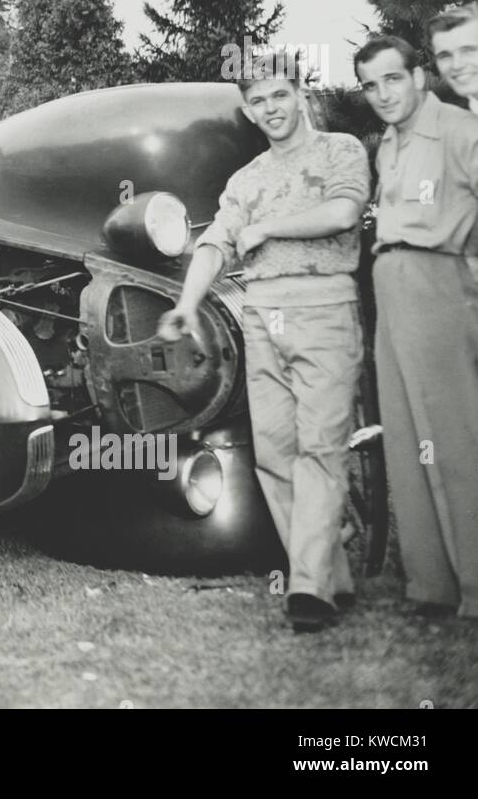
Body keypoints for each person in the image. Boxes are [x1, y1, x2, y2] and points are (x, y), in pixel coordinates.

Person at [157, 52, 370, 632]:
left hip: (324, 305)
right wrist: (184, 305)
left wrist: (269, 227)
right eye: (258, 102)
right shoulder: (245, 180)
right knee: (276, 454)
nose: (271, 109)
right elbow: (214, 245)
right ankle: (332, 576)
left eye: (279, 95)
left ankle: (308, 588)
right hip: (264, 316)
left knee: (320, 448)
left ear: (299, 93)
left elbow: (345, 211)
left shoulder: (340, 150)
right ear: (248, 113)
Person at [354, 34, 478, 619]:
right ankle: (431, 584)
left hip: (438, 284)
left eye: (392, 78)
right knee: (406, 438)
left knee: (454, 440)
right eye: (370, 85)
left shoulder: (458, 129)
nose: (382, 94)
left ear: (419, 77)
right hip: (390, 284)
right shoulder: (388, 144)